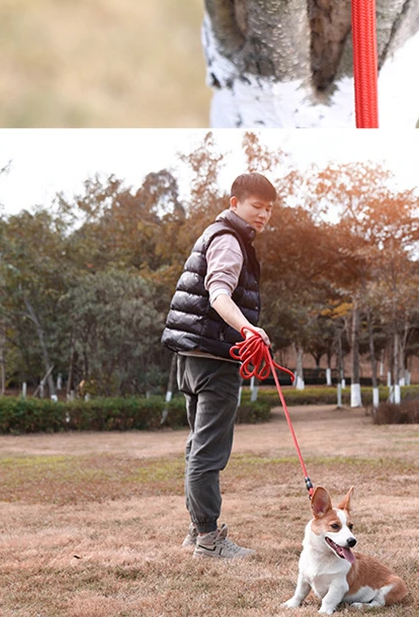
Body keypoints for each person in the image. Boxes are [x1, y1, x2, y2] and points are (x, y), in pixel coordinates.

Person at [161, 172, 276, 559]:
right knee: (208, 453)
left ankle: (197, 532)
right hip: (213, 361)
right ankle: (209, 540)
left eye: (268, 209)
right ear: (235, 204)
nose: (263, 215)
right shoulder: (229, 240)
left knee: (197, 448)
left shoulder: (214, 234)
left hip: (192, 357)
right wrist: (249, 329)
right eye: (256, 206)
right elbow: (218, 295)